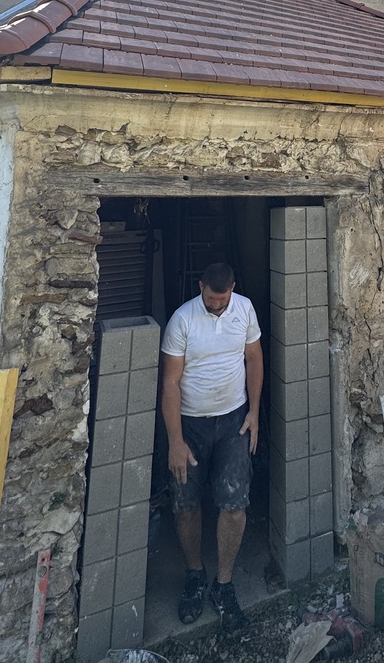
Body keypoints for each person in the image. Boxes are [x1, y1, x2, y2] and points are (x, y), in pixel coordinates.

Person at [161, 262, 263, 631]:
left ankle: (224, 584)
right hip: (191, 424)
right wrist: (175, 441)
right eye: (211, 299)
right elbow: (170, 383)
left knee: (234, 504)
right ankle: (194, 575)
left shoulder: (244, 309)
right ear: (200, 286)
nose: (217, 305)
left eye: (223, 300)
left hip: (234, 421)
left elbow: (253, 357)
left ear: (232, 289)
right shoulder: (182, 320)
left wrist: (254, 412)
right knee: (186, 502)